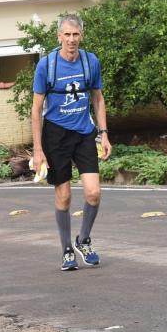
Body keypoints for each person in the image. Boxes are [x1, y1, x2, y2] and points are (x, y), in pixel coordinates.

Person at [31, 14, 112, 271]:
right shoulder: (47, 66)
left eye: (75, 35)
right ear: (59, 37)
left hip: (84, 133)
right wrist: (38, 149)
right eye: (67, 35)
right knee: (64, 196)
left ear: (82, 37)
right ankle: (67, 249)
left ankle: (83, 240)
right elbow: (36, 109)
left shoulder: (91, 62)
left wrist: (104, 133)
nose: (71, 40)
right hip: (55, 135)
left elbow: (98, 99)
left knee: (93, 193)